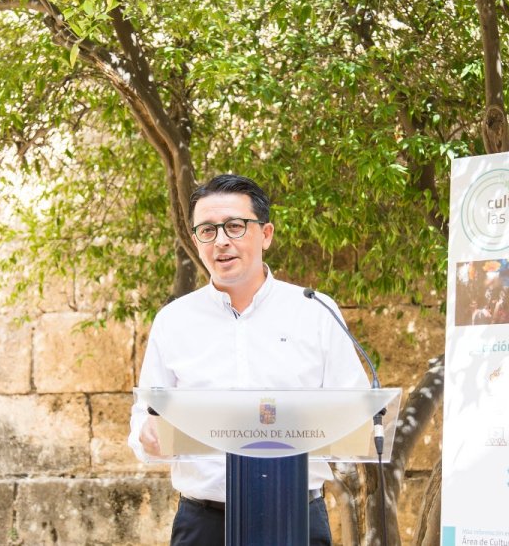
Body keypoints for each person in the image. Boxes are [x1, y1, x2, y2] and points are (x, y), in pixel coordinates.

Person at [127, 174, 370, 546]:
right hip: (204, 523)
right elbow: (145, 417)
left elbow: (356, 413)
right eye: (207, 230)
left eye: (235, 226)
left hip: (296, 517)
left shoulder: (315, 311)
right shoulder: (173, 320)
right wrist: (147, 435)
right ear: (196, 240)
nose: (221, 240)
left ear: (266, 234)